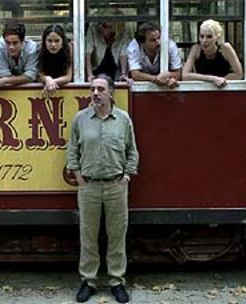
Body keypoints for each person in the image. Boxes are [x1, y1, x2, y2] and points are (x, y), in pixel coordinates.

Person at [67, 74, 139, 303]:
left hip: (116, 185)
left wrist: (126, 175)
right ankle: (89, 281)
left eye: (100, 89)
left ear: (111, 93)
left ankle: (117, 281)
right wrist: (79, 178)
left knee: (117, 235)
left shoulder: (123, 119)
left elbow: (132, 151)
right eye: (92, 89)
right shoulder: (80, 119)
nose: (95, 93)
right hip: (88, 186)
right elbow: (72, 152)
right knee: (88, 235)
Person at [182, 19, 243, 87]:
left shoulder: (225, 49)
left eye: (209, 37)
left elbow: (238, 74)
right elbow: (185, 75)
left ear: (217, 37)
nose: (204, 40)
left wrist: (222, 80)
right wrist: (213, 79)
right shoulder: (196, 49)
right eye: (202, 36)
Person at [127, 22, 182, 88]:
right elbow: (135, 74)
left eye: (159, 38)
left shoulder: (170, 46)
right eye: (153, 40)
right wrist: (157, 79)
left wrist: (168, 75)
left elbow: (178, 73)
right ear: (142, 43)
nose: (158, 42)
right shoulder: (133, 47)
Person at [0, 22, 38, 91]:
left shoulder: (32, 47)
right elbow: (3, 74)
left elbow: (30, 76)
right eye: (7, 42)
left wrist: (5, 80)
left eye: (15, 43)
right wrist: (22, 79)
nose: (11, 47)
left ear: (23, 41)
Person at [86, 9, 130, 82]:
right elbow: (88, 52)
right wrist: (90, 75)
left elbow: (124, 54)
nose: (100, 27)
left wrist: (124, 74)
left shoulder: (123, 33)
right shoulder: (93, 29)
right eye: (100, 23)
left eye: (104, 25)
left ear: (115, 29)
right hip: (96, 68)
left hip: (115, 70)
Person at [37, 24, 73, 97]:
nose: (53, 44)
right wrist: (47, 79)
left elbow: (68, 76)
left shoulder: (69, 48)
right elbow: (38, 75)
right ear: (44, 42)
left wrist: (52, 82)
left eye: (57, 41)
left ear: (62, 41)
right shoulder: (39, 50)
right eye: (49, 41)